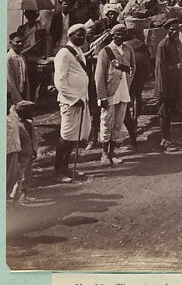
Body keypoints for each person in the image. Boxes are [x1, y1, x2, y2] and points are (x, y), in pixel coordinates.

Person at [52, 23, 92, 182]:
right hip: (70, 102)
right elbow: (59, 82)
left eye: (84, 35)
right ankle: (58, 170)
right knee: (66, 135)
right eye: (79, 35)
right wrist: (74, 99)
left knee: (74, 136)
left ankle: (66, 168)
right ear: (70, 35)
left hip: (81, 100)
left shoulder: (78, 51)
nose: (82, 38)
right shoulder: (63, 53)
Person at [95, 23, 135, 165]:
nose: (121, 37)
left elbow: (132, 68)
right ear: (112, 35)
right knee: (106, 122)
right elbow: (99, 76)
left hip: (123, 90)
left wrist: (128, 83)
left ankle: (112, 153)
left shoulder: (129, 49)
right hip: (110, 92)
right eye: (118, 34)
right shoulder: (105, 52)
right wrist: (102, 96)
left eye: (123, 34)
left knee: (118, 124)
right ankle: (104, 154)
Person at [154, 19, 182, 152]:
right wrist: (162, 89)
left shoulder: (175, 42)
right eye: (171, 29)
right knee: (164, 112)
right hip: (165, 83)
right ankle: (164, 140)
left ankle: (169, 137)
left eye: (176, 29)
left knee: (170, 111)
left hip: (174, 82)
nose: (174, 31)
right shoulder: (162, 45)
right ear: (167, 30)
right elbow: (160, 68)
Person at [6, 99, 36, 202]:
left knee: (27, 176)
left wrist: (34, 150)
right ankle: (14, 197)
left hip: (29, 153)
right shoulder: (17, 126)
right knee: (19, 177)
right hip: (21, 155)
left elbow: (34, 138)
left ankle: (24, 195)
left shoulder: (29, 124)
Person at [7, 30, 28, 108]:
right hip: (13, 95)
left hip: (22, 91)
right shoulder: (9, 58)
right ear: (11, 43)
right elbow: (10, 80)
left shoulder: (22, 57)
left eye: (22, 41)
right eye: (17, 42)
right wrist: (18, 99)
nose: (20, 44)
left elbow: (25, 78)